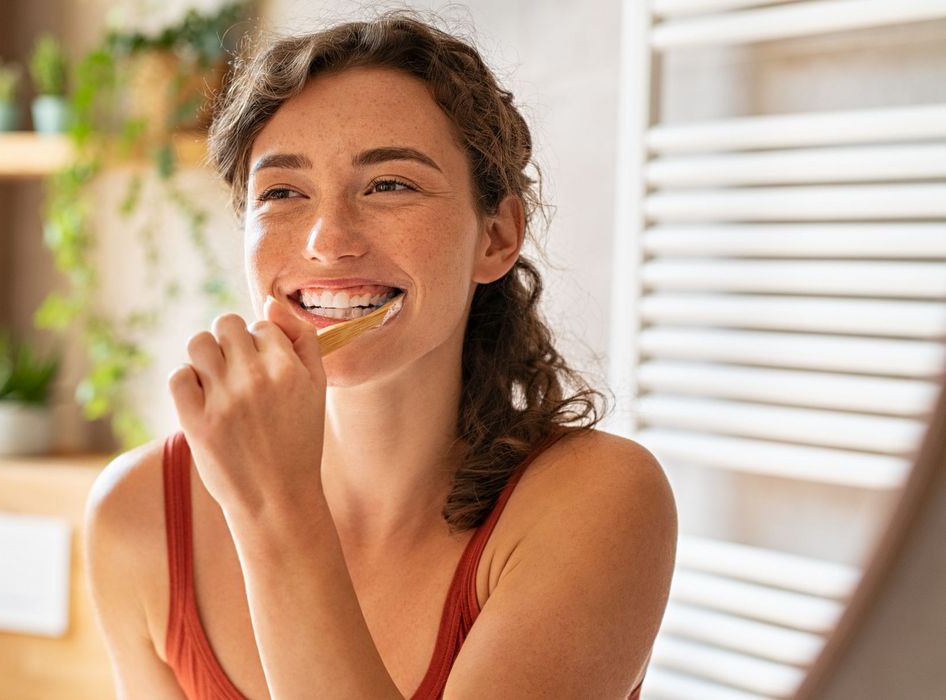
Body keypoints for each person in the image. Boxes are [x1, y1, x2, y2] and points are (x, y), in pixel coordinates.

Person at [84, 10, 677, 699]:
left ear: (497, 237)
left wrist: (275, 507)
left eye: (390, 185)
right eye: (281, 192)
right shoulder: (138, 515)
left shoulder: (597, 503)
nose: (328, 241)